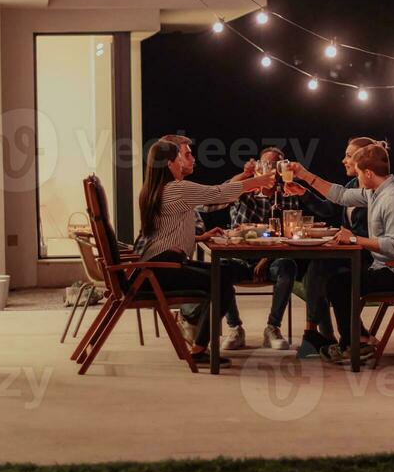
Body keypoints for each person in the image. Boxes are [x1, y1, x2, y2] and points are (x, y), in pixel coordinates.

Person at [137, 136, 274, 365]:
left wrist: (198, 236)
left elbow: (165, 230)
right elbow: (218, 194)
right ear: (171, 163)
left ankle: (199, 339)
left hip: (159, 264)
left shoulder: (157, 189)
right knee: (221, 282)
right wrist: (258, 180)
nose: (186, 159)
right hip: (162, 268)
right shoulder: (177, 189)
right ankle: (198, 349)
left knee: (226, 271)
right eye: (182, 156)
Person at [291, 143, 394, 365]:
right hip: (382, 266)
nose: (357, 177)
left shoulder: (392, 199)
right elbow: (340, 195)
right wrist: (304, 175)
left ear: (368, 173)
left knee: (339, 283)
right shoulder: (375, 193)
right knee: (337, 281)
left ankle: (353, 343)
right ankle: (354, 341)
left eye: (359, 173)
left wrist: (353, 239)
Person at [292, 136, 378, 357]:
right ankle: (329, 334)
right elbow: (328, 209)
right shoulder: (352, 185)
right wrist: (303, 193)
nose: (343, 160)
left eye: (349, 155)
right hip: (351, 252)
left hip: (367, 257)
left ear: (364, 159)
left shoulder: (376, 191)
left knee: (319, 269)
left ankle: (317, 334)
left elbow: (375, 234)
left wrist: (347, 237)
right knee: (315, 270)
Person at [228, 146, 316, 350]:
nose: (270, 169)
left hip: (270, 261)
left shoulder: (286, 194)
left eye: (275, 165)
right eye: (266, 164)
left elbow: (287, 234)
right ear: (258, 166)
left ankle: (273, 327)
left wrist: (266, 257)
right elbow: (219, 196)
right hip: (239, 259)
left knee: (288, 266)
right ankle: (235, 328)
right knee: (220, 268)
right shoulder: (245, 191)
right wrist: (246, 175)